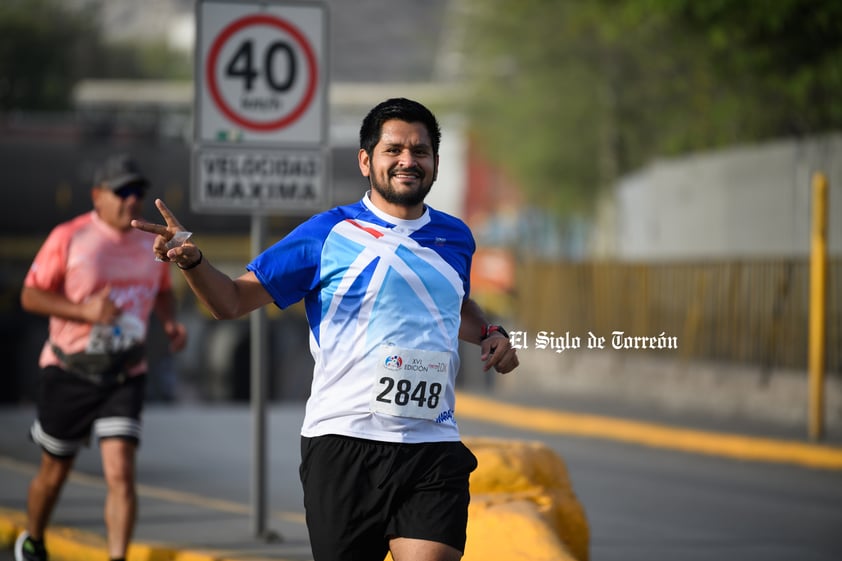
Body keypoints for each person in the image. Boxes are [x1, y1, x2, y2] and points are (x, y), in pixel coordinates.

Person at [132, 97, 519, 561]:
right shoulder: (326, 234)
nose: (407, 161)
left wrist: (490, 332)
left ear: (435, 162)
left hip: (431, 445)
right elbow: (231, 301)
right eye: (393, 150)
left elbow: (451, 302)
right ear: (365, 160)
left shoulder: (456, 236)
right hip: (344, 444)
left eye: (420, 151)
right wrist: (192, 261)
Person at [15, 154, 187, 561]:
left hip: (125, 371)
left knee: (121, 474)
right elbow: (30, 295)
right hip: (69, 369)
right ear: (98, 196)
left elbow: (162, 290)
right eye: (122, 192)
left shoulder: (152, 241)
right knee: (54, 473)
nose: (132, 200)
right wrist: (85, 312)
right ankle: (34, 538)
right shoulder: (69, 237)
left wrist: (169, 324)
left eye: (138, 192)